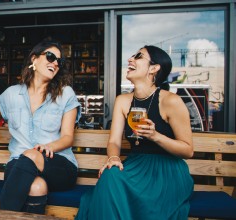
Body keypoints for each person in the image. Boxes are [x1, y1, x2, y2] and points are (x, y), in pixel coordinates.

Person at [76, 45, 194, 220]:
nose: (130, 59)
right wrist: (114, 158)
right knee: (110, 175)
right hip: (135, 165)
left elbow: (188, 150)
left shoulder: (171, 101)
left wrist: (156, 136)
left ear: (154, 69)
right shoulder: (123, 101)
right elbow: (114, 142)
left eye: (138, 56)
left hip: (166, 172)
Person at [0, 39, 81, 214]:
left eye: (59, 61)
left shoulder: (65, 93)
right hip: (19, 165)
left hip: (57, 164)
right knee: (36, 187)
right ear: (34, 59)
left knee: (31, 155)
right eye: (50, 57)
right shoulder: (11, 94)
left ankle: (1, 218)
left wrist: (48, 147)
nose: (55, 63)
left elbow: (68, 137)